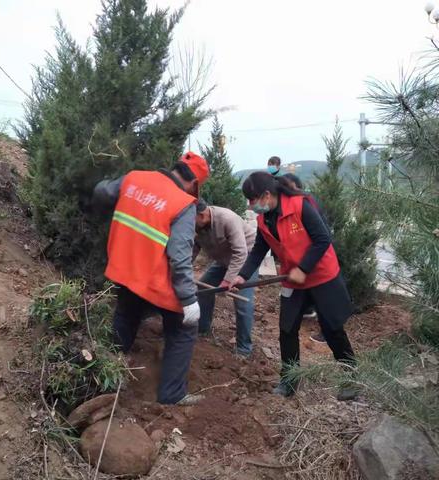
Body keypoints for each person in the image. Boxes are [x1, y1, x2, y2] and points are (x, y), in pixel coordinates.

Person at [92, 152, 209, 405]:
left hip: (124, 272)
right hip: (154, 283)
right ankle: (172, 395)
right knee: (184, 329)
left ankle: (103, 376)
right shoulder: (183, 203)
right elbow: (180, 258)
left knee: (126, 316)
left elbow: (102, 191)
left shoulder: (134, 179)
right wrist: (189, 300)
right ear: (194, 184)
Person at [230, 172, 357, 401]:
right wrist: (242, 276)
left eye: (252, 199)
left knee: (332, 329)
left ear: (266, 194)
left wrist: (304, 268)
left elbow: (322, 239)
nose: (251, 205)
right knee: (287, 330)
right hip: (292, 279)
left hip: (321, 275)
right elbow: (259, 249)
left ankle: (351, 378)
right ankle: (289, 380)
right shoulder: (264, 218)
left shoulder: (300, 206)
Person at [194, 199, 258, 357]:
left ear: (201, 215)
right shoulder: (197, 225)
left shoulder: (227, 219)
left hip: (245, 259)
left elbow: (241, 252)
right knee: (203, 287)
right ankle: (202, 328)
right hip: (223, 260)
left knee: (242, 303)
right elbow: (193, 249)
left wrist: (227, 281)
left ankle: (244, 348)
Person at [282, 173, 327, 344]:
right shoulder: (293, 205)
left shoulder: (306, 202)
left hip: (317, 256)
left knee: (321, 296)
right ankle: (308, 310)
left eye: (289, 189)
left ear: (296, 187)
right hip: (306, 258)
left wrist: (307, 263)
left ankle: (326, 331)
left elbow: (321, 236)